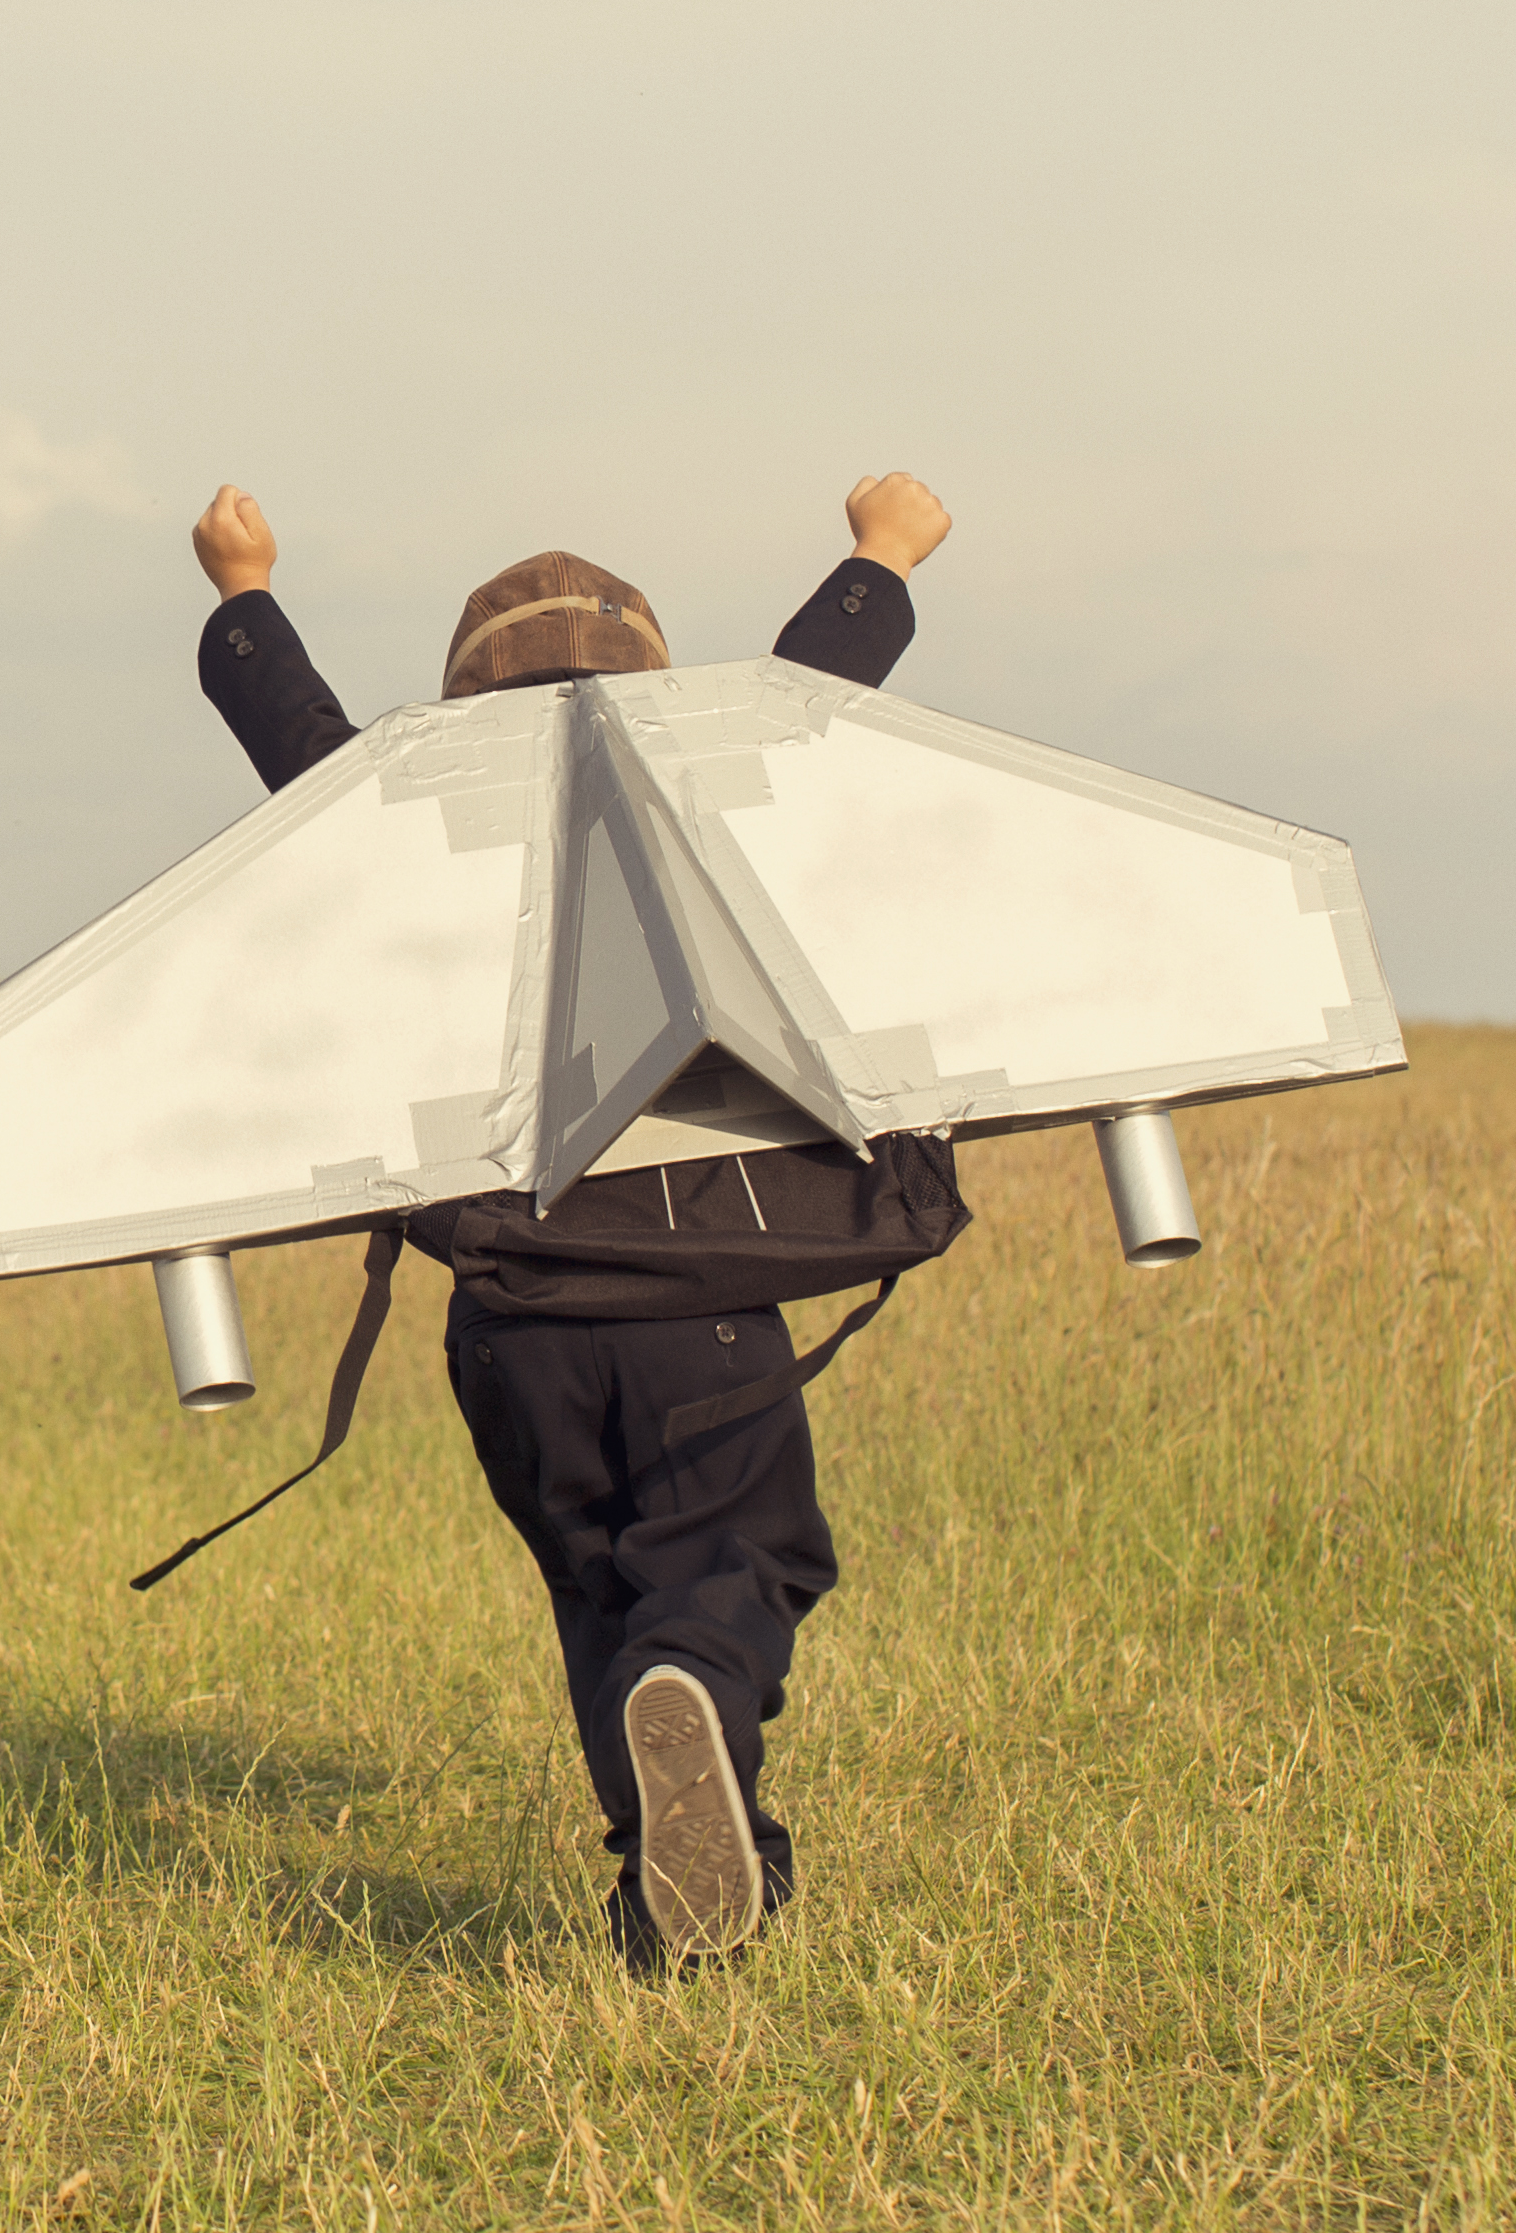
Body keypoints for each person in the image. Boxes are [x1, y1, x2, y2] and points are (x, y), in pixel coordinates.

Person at [181, 472, 968, 1975]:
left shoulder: (411, 852)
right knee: (735, 1569)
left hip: (513, 1328)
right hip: (703, 1300)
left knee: (597, 1587)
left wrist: (243, 591)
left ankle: (666, 1906)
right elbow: (807, 709)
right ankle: (697, 1715)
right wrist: (881, 554)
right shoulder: (707, 826)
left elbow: (304, 753)